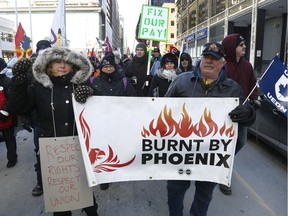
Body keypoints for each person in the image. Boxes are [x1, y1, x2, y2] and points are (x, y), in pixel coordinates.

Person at [164, 42, 256, 216]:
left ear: (223, 63)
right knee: (175, 191)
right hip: (180, 154)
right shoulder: (181, 82)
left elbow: (247, 120)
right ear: (201, 59)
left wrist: (249, 112)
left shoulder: (233, 89)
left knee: (204, 194)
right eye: (207, 57)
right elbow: (161, 110)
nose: (209, 61)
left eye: (215, 58)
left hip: (211, 157)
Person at [10, 47, 98, 216]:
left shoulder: (80, 84)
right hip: (52, 151)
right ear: (49, 66)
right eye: (58, 62)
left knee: (87, 197)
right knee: (60, 202)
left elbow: (101, 108)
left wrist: (91, 93)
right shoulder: (38, 87)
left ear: (73, 66)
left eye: (67, 62)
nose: (63, 66)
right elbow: (20, 107)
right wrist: (18, 82)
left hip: (78, 147)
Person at [220, 33, 260, 195]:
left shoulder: (247, 66)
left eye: (244, 44)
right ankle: (223, 176)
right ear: (231, 47)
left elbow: (252, 85)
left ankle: (224, 163)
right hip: (223, 114)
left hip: (242, 113)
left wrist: (255, 99)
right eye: (240, 45)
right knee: (222, 145)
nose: (244, 47)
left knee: (241, 142)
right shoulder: (222, 65)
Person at [19, 39, 51, 196]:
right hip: (39, 120)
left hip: (60, 118)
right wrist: (25, 115)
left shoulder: (59, 66)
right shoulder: (31, 71)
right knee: (41, 153)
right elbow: (25, 95)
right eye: (41, 49)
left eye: (46, 49)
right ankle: (41, 182)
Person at [0, 58, 18, 168]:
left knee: (9, 138)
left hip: (6, 117)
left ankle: (12, 158)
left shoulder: (7, 82)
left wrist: (4, 112)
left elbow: (12, 99)